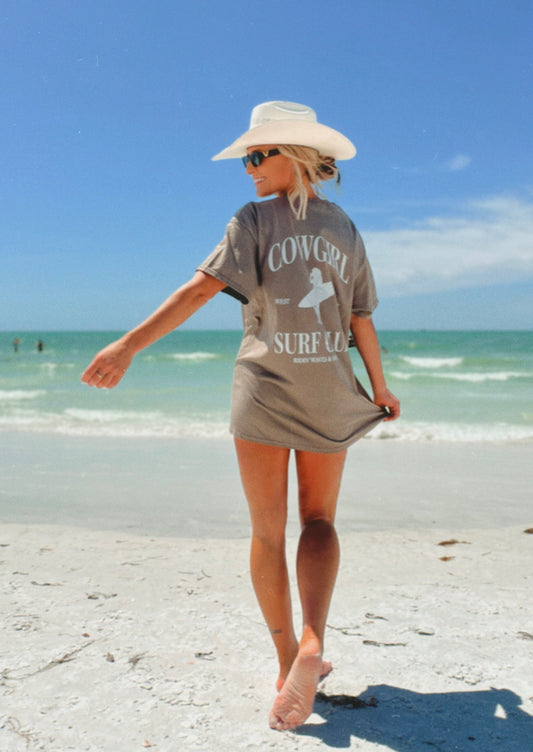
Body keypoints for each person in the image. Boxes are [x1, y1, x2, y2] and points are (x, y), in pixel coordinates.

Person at [81, 101, 400, 731]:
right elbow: (361, 318)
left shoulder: (253, 220)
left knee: (265, 532)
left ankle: (289, 659)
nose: (248, 169)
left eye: (257, 156)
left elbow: (201, 288)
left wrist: (126, 346)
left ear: (294, 156)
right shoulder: (346, 230)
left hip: (262, 387)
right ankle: (313, 640)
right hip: (330, 390)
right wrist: (381, 390)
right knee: (319, 518)